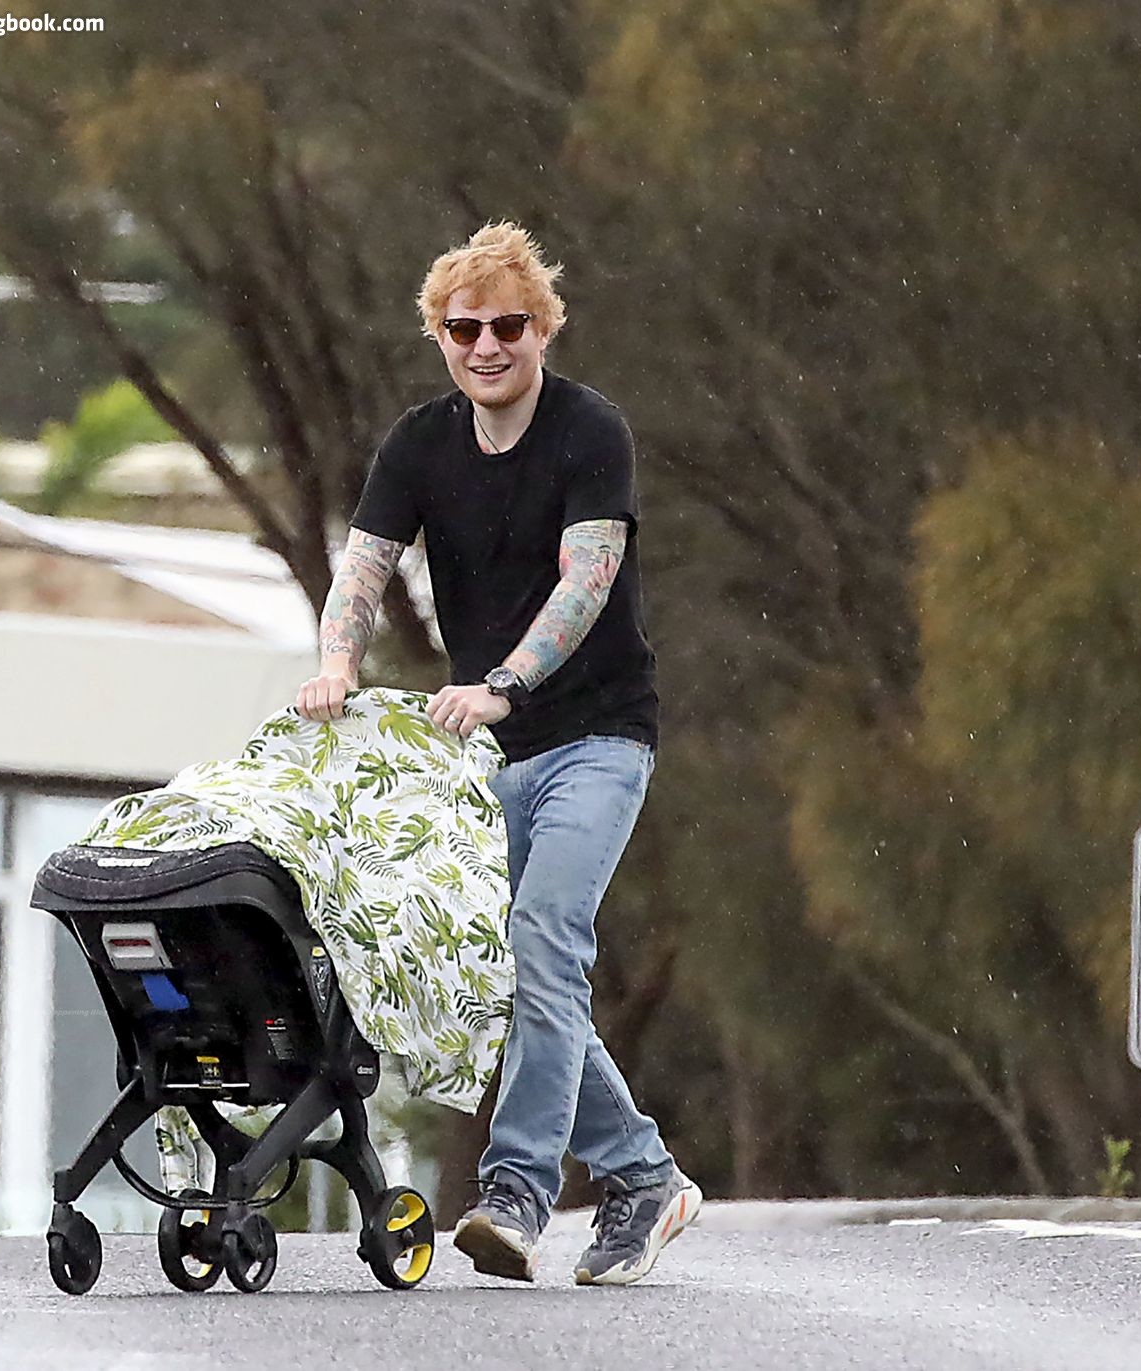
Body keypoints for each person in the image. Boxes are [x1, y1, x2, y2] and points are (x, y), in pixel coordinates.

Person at [295, 221, 700, 1285]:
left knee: (543, 939)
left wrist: (506, 682)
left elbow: (587, 581)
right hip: (488, 758)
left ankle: (516, 1192)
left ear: (542, 331)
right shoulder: (418, 444)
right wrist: (335, 663)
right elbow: (364, 567)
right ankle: (644, 1175)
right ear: (439, 336)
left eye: (509, 326)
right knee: (514, 973)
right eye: (464, 328)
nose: (487, 346)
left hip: (597, 737)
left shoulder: (589, 431)